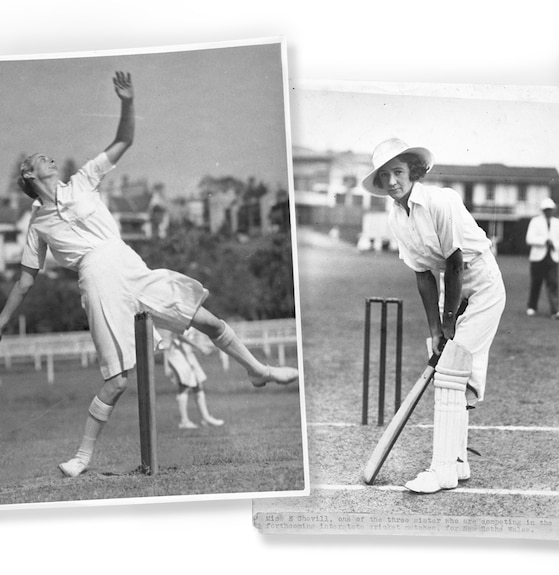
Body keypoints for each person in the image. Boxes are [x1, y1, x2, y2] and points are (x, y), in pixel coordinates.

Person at [1, 72, 300, 478]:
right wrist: (2, 322)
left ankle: (257, 370)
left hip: (128, 264)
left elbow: (123, 141)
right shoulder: (36, 225)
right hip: (96, 282)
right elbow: (25, 281)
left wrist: (127, 102)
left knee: (207, 320)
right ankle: (83, 458)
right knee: (118, 381)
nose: (50, 158)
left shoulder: (84, 180)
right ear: (30, 176)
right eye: (42, 159)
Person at [361, 138, 506, 493]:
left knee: (450, 371)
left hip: (481, 282)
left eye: (398, 172)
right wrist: (434, 330)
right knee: (450, 367)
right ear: (380, 183)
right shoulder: (396, 216)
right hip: (449, 285)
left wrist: (449, 322)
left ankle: (440, 471)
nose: (393, 181)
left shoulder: (441, 201)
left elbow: (455, 263)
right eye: (385, 175)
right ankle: (457, 463)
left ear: (412, 171)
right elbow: (423, 274)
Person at [163, 328, 224, 429]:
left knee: (198, 385)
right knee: (184, 386)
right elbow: (179, 335)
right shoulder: (180, 318)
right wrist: (199, 346)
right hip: (178, 357)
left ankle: (206, 417)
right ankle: (184, 421)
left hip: (188, 355)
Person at [525, 197, 559, 319]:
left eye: (550, 209)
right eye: (546, 210)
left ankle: (555, 310)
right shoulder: (535, 221)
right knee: (536, 283)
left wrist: (555, 244)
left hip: (552, 257)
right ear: (543, 210)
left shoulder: (557, 222)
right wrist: (544, 241)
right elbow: (529, 239)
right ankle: (532, 306)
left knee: (553, 283)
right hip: (538, 258)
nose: (548, 212)